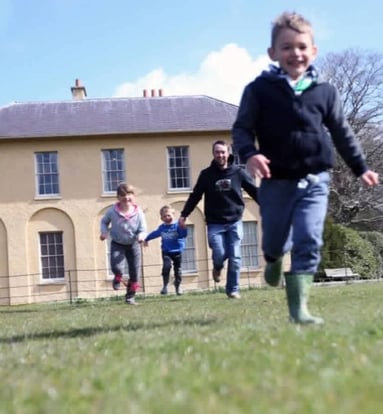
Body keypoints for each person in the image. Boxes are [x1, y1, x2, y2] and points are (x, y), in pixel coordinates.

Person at [232, 11, 379, 323]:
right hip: (276, 180)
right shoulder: (259, 90)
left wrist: (360, 166)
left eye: (301, 46)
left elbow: (341, 131)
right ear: (273, 53)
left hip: (315, 180)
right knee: (273, 239)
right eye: (286, 47)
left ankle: (299, 310)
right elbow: (242, 129)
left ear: (313, 51)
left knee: (310, 238)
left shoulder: (324, 92)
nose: (295, 53)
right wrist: (249, 154)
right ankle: (273, 258)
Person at [179, 140, 258, 299]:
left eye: (223, 152)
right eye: (217, 152)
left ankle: (233, 290)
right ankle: (217, 267)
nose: (220, 155)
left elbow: (255, 191)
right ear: (213, 154)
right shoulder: (206, 175)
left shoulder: (238, 173)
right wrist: (184, 214)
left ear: (228, 153)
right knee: (220, 254)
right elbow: (195, 196)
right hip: (215, 223)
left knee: (235, 257)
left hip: (234, 221)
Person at [100, 183, 147, 305]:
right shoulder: (112, 211)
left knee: (135, 273)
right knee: (116, 266)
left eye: (129, 194)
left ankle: (130, 297)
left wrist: (141, 237)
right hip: (117, 243)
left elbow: (142, 228)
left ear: (133, 196)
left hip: (133, 244)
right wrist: (104, 233)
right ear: (118, 198)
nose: (126, 198)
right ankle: (118, 276)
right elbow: (104, 222)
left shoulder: (138, 212)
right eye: (123, 195)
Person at [144, 205, 187, 296]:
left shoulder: (177, 226)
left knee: (177, 270)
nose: (167, 218)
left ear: (173, 215)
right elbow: (154, 234)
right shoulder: (162, 228)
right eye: (164, 216)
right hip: (166, 251)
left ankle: (178, 286)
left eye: (168, 215)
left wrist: (183, 227)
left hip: (177, 251)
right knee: (166, 267)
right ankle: (165, 286)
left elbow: (183, 235)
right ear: (161, 218)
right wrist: (146, 239)